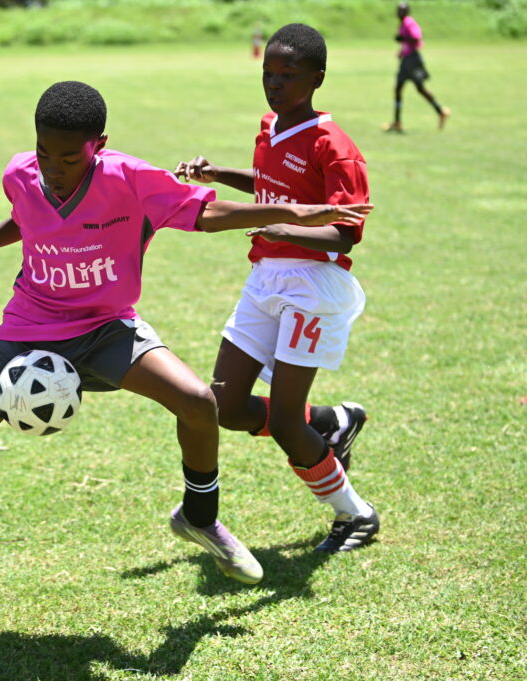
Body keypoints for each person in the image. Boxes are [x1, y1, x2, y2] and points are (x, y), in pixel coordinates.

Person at [0, 81, 373, 638]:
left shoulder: (131, 178)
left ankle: (200, 519)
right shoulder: (20, 173)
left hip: (107, 329)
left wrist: (292, 215)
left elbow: (207, 215)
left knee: (199, 403)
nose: (52, 166)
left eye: (68, 156)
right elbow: (24, 217)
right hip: (28, 329)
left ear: (98, 143)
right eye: (44, 151)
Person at [175, 23, 381, 554]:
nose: (275, 83)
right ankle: (331, 423)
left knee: (286, 422)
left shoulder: (335, 146)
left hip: (313, 284)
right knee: (221, 404)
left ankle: (355, 515)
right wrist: (218, 172)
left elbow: (347, 228)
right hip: (265, 277)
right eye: (268, 73)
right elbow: (271, 185)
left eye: (288, 75)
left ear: (316, 78)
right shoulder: (270, 127)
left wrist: (286, 230)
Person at [383, 2, 451, 132]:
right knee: (399, 89)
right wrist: (402, 51)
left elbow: (417, 38)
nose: (400, 13)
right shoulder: (403, 23)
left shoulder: (409, 22)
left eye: (402, 11)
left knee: (419, 89)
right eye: (398, 11)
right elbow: (408, 44)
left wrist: (404, 38)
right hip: (407, 61)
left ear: (407, 12)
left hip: (412, 61)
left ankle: (441, 111)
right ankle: (397, 122)